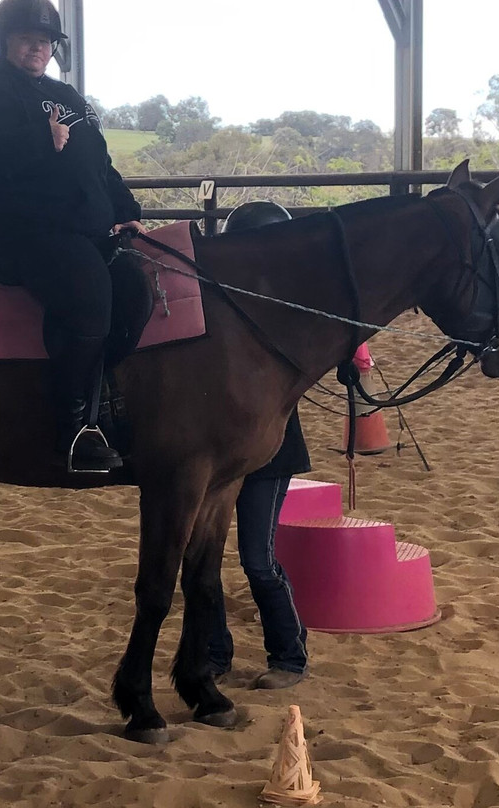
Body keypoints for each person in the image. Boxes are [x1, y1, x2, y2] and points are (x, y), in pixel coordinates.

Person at [0, 0, 144, 473]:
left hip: (87, 230)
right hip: (27, 231)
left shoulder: (66, 95)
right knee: (89, 296)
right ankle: (71, 428)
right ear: (4, 41)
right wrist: (40, 140)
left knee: (135, 291)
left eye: (45, 42)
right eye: (27, 40)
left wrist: (126, 211)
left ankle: (105, 402)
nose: (37, 49)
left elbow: (99, 164)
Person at [207, 201, 311, 690]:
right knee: (202, 557)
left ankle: (289, 656)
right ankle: (213, 653)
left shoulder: (291, 312)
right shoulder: (220, 300)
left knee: (257, 559)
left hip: (270, 450)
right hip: (217, 445)